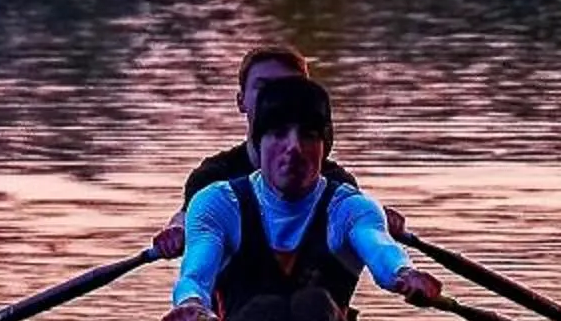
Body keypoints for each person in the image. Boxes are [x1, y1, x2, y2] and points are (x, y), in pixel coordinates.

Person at [164, 76, 440, 321]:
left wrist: (405, 275)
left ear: (325, 146)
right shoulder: (218, 202)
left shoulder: (351, 207)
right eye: (278, 133)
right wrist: (190, 305)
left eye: (308, 135)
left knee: (314, 305)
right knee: (266, 310)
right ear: (257, 143)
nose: (293, 147)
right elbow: (196, 273)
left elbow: (381, 250)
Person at [154, 46, 402, 254]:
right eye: (264, 88)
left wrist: (378, 223)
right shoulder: (212, 176)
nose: (277, 98)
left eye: (288, 88)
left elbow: (364, 225)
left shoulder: (337, 182)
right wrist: (176, 231)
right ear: (241, 101)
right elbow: (187, 217)